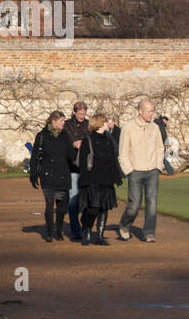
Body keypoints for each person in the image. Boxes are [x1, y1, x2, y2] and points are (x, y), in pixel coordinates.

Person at [117, 96, 165, 242]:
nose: (151, 114)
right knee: (134, 204)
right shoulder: (128, 127)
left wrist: (158, 166)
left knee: (152, 203)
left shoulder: (155, 127)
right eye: (148, 111)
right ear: (140, 111)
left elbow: (160, 147)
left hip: (152, 170)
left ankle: (149, 232)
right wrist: (129, 170)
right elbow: (123, 152)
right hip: (135, 171)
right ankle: (125, 225)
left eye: (152, 111)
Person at [76, 113, 122, 245]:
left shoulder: (108, 140)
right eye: (106, 121)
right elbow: (83, 163)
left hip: (106, 179)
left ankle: (100, 236)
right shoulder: (88, 140)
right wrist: (86, 180)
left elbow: (113, 160)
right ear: (100, 123)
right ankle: (87, 230)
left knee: (104, 208)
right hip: (92, 179)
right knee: (93, 207)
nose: (108, 123)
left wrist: (117, 177)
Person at [30, 110, 74, 243]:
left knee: (61, 205)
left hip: (62, 174)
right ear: (53, 121)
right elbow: (35, 156)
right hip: (48, 174)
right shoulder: (42, 136)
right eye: (61, 121)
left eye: (64, 121)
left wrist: (76, 149)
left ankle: (58, 230)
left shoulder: (65, 136)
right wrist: (33, 175)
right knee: (49, 204)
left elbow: (71, 155)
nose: (63, 123)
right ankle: (49, 232)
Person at [63, 101, 91, 242]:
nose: (82, 116)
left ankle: (84, 224)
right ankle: (75, 230)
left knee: (87, 199)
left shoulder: (88, 125)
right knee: (73, 200)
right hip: (72, 167)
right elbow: (62, 143)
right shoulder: (67, 125)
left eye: (84, 113)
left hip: (86, 167)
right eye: (80, 113)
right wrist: (73, 144)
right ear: (74, 112)